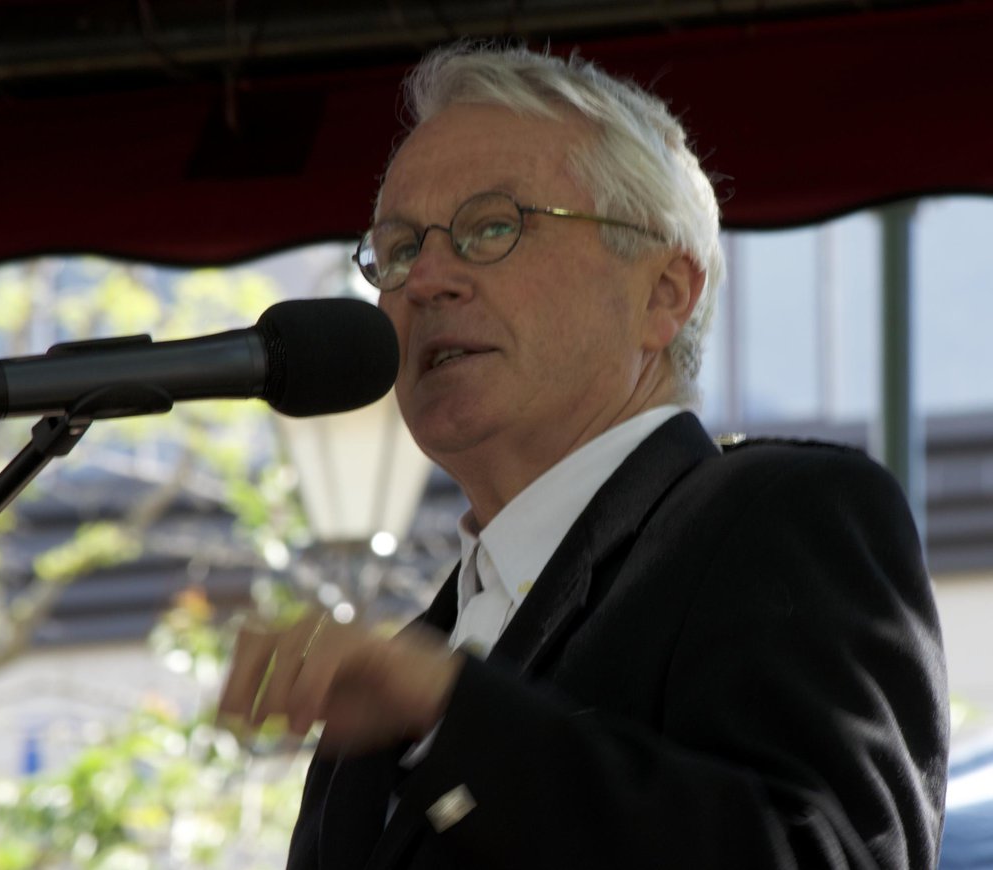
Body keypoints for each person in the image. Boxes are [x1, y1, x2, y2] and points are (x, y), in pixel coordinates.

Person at [217, 42, 949, 869]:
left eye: (493, 226)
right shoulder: (398, 672)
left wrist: (452, 712)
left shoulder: (781, 517)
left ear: (664, 293)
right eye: (400, 249)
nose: (425, 281)